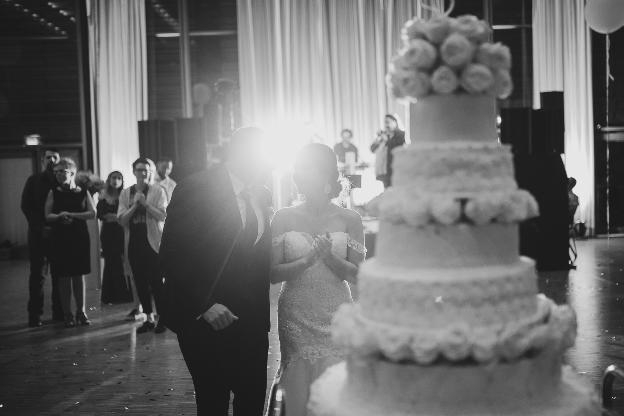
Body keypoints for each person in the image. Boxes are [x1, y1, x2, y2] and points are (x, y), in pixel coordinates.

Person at [160, 127, 272, 416]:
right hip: (207, 322)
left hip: (252, 325)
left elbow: (256, 260)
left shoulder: (261, 194)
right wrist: (204, 305)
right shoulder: (196, 188)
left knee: (252, 403)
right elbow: (172, 253)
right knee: (213, 404)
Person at [270, 143, 366, 416]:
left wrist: (330, 258)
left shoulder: (350, 219)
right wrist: (305, 261)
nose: (299, 174)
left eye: (306, 167)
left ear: (325, 174)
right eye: (298, 168)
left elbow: (358, 275)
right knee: (298, 381)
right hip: (296, 313)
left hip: (336, 312)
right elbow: (272, 273)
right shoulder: (283, 217)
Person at [44, 158, 96, 327]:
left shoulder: (83, 192)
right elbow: (47, 215)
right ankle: (68, 314)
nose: (58, 174)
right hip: (60, 237)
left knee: (78, 275)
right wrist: (59, 216)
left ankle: (81, 312)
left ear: (72, 172)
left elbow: (92, 213)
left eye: (62, 171)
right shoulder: (53, 191)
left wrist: (72, 215)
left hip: (79, 237)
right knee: (64, 276)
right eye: (57, 172)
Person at [118, 158, 168, 333]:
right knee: (140, 282)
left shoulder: (158, 191)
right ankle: (148, 318)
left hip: (153, 243)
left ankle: (163, 318)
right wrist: (135, 205)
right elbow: (121, 220)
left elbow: (163, 215)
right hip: (134, 243)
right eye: (140, 170)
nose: (143, 173)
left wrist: (145, 204)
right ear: (134, 172)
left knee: (157, 282)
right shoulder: (126, 193)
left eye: (147, 170)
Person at [21, 148, 63, 327]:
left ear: (59, 160)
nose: (51, 159)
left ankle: (59, 312)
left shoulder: (63, 180)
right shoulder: (33, 180)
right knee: (37, 276)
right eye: (48, 157)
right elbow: (26, 206)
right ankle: (35, 315)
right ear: (43, 160)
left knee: (59, 275)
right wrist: (40, 227)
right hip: (38, 235)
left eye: (55, 157)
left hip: (58, 235)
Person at [97, 171, 132, 304]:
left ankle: (123, 295)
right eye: (113, 178)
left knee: (121, 262)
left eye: (119, 178)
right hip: (107, 233)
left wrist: (115, 217)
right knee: (110, 262)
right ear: (109, 179)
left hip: (121, 232)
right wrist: (117, 217)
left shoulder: (125, 196)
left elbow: (125, 215)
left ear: (122, 181)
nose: (116, 180)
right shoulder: (102, 196)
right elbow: (101, 215)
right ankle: (109, 296)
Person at [370, 114, 406, 188]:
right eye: (385, 122)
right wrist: (378, 139)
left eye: (388, 122)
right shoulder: (384, 135)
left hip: (395, 168)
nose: (386, 125)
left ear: (395, 122)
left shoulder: (401, 134)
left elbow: (398, 147)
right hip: (383, 170)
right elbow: (372, 149)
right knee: (386, 190)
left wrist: (386, 139)